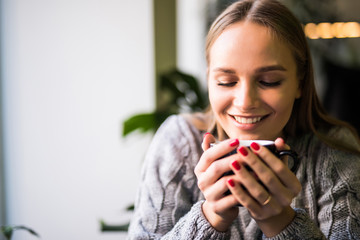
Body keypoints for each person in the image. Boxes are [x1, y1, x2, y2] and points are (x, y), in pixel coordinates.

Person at [127, 0, 360, 239]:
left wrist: (280, 221)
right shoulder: (178, 142)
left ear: (299, 82)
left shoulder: (334, 151)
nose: (246, 102)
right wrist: (210, 216)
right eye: (226, 82)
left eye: (269, 81)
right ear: (209, 81)